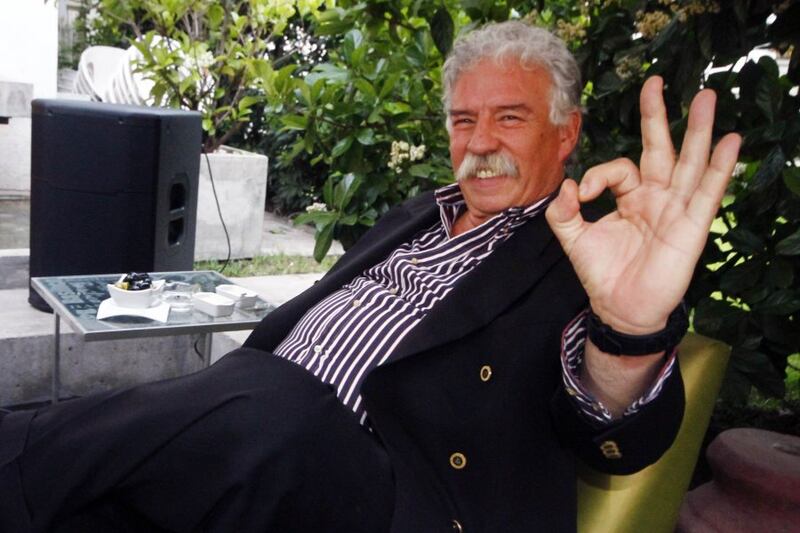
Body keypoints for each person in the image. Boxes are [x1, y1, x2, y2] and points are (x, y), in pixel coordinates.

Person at [0, 21, 740, 533]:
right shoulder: (420, 213)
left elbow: (617, 435)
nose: (480, 142)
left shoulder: (582, 256)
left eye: (510, 119)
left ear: (566, 131)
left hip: (396, 495)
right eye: (463, 120)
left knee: (273, 398)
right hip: (254, 461)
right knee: (97, 500)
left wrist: (630, 330)